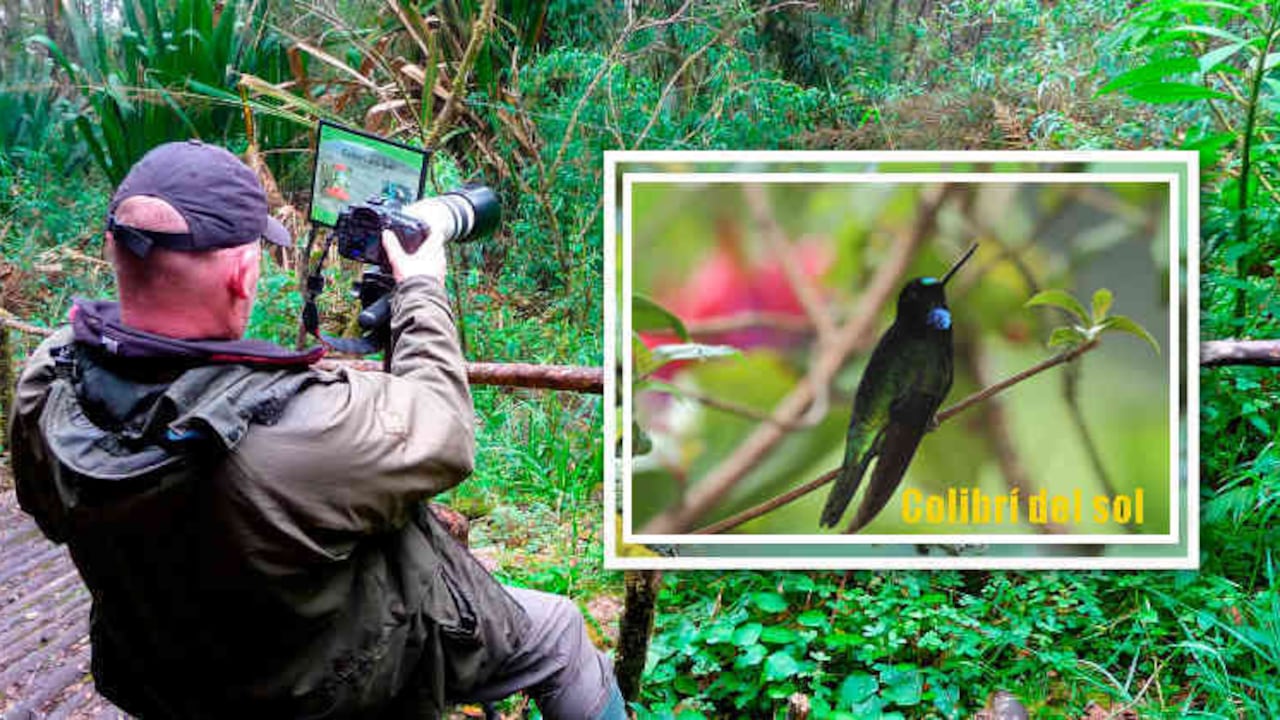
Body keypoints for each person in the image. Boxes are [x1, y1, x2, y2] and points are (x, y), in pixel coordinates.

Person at [8, 140, 625, 719]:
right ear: (243, 275)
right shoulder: (298, 428)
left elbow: (45, 504)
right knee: (561, 632)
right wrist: (420, 292)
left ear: (115, 252)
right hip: (323, 681)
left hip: (162, 672)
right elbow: (446, 432)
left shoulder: (49, 387)